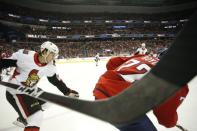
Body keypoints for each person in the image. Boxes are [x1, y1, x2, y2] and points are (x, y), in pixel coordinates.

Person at [93, 53, 189, 131]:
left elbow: (112, 62)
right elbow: (165, 116)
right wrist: (172, 122)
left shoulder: (144, 57)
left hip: (101, 90)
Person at [0, 41, 79, 131]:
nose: (54, 57)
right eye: (52, 54)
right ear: (45, 52)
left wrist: (67, 91)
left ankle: (23, 119)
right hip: (16, 90)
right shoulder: (24, 56)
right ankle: (29, 118)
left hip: (31, 89)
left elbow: (55, 80)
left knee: (47, 101)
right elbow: (3, 62)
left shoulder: (50, 66)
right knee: (36, 117)